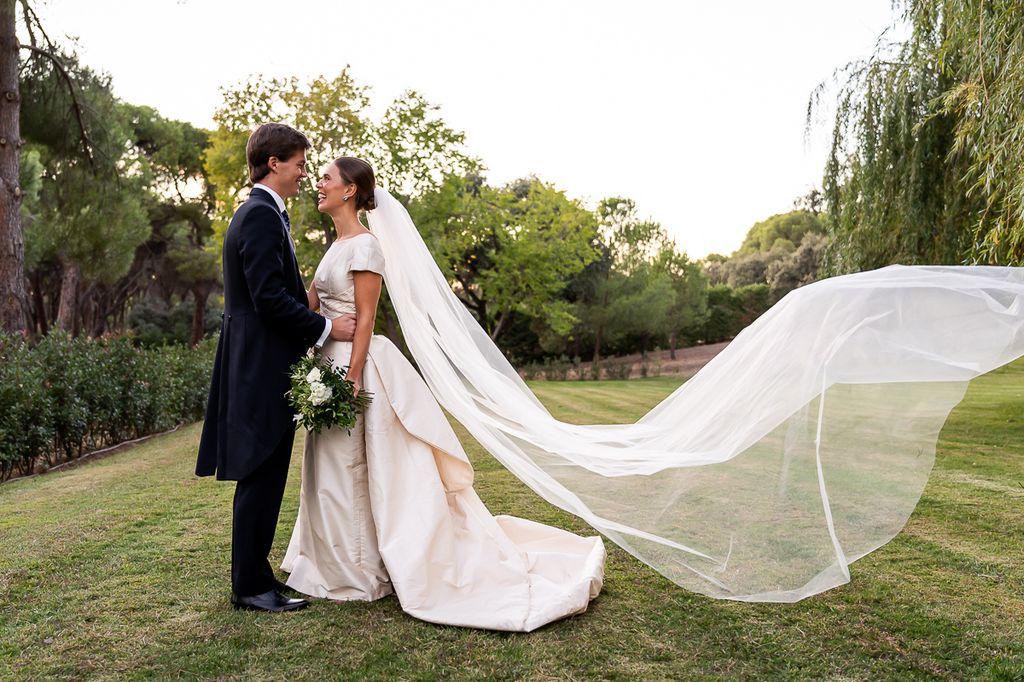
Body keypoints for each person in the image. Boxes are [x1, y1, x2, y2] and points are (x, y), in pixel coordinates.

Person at [280, 157, 606, 632]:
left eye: (327, 178)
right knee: (326, 465)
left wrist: (350, 375)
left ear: (351, 190)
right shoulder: (336, 245)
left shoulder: (366, 247)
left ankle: (358, 570)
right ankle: (332, 562)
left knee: (354, 465)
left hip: (358, 368)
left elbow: (366, 318)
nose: (319, 185)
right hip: (325, 360)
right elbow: (311, 304)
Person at [196, 124, 358, 613]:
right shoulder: (261, 217)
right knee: (260, 474)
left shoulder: (265, 215)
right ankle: (249, 587)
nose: (304, 173)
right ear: (274, 163)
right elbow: (268, 299)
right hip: (261, 365)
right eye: (299, 164)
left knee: (264, 475)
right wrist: (326, 329)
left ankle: (257, 577)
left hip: (259, 360)